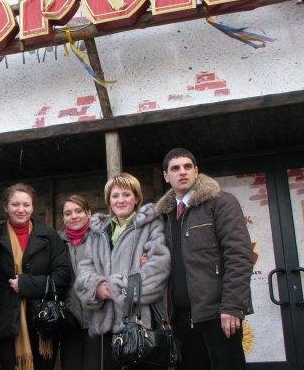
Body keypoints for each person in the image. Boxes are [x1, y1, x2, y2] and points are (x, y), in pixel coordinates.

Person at [155, 148, 253, 370]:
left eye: (187, 166)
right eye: (175, 168)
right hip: (181, 318)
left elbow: (239, 256)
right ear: (166, 176)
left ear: (196, 171)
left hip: (218, 315)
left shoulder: (221, 202)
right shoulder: (166, 215)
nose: (182, 172)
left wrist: (232, 307)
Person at [75, 173, 171, 370]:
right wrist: (97, 287)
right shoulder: (98, 232)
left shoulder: (150, 226)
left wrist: (118, 288)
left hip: (140, 326)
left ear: (136, 198)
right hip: (105, 327)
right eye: (115, 196)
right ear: (108, 201)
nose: (121, 200)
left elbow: (159, 268)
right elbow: (85, 268)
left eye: (126, 194)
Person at [0, 183, 72, 370]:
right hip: (7, 319)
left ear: (33, 207)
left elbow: (62, 276)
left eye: (26, 205)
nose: (21, 209)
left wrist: (25, 284)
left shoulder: (50, 237)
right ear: (5, 207)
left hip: (44, 319)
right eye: (15, 204)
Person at [58, 195, 100, 370]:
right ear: (63, 218)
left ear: (88, 213)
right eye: (68, 213)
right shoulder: (56, 242)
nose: (74, 216)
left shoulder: (101, 238)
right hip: (69, 321)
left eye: (78, 211)